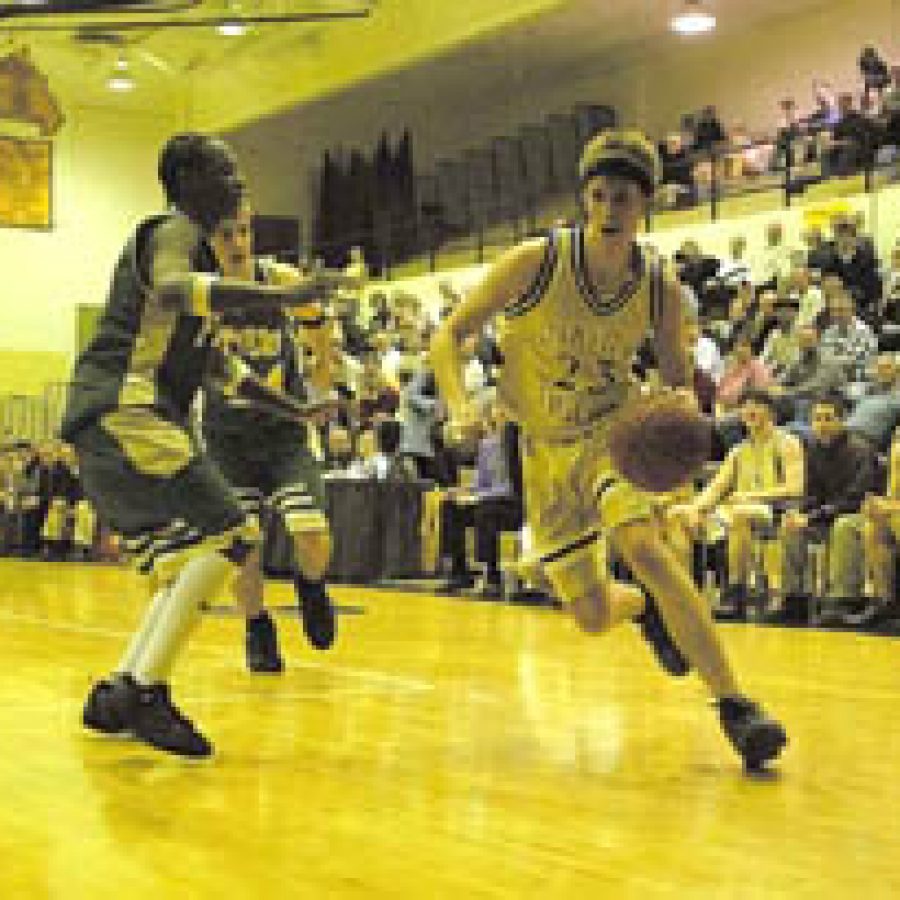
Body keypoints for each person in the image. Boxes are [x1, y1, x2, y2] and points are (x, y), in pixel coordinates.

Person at [430, 129, 787, 771]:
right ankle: (643, 609)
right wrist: (459, 403)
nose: (608, 209)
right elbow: (449, 334)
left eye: (622, 197)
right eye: (597, 195)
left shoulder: (659, 288)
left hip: (610, 434)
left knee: (644, 547)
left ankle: (737, 706)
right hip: (539, 450)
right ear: (584, 200)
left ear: (644, 204)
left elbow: (678, 379)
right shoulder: (536, 262)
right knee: (592, 616)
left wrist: (677, 424)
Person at [60, 133, 349, 758]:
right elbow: (167, 288)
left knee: (179, 568)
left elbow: (221, 370)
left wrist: (298, 407)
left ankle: (122, 690)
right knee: (238, 534)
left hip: (121, 421)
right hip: (125, 409)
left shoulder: (204, 273)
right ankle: (147, 692)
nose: (240, 182)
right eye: (227, 171)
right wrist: (284, 297)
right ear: (189, 180)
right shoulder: (173, 231)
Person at [203, 200, 339, 674]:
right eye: (226, 234)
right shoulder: (201, 293)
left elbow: (319, 325)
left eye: (243, 232)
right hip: (228, 441)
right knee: (242, 548)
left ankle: (311, 585)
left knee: (314, 535)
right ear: (208, 240)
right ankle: (257, 626)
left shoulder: (277, 278)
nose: (238, 243)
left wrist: (321, 378)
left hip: (285, 435)